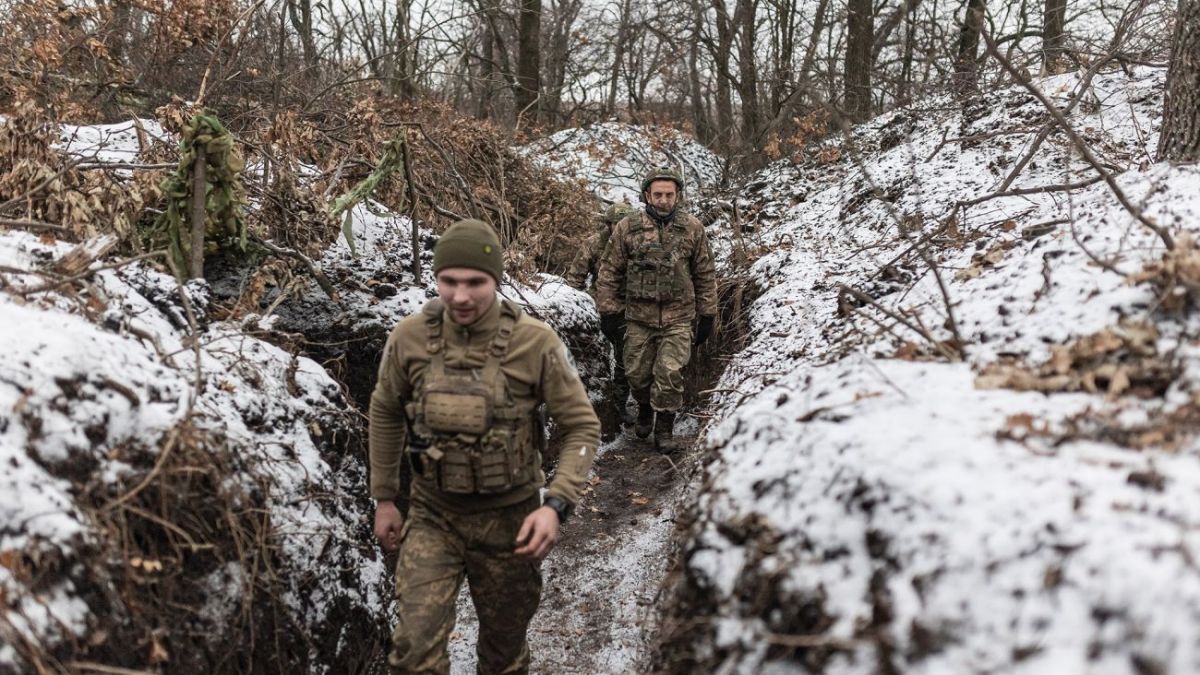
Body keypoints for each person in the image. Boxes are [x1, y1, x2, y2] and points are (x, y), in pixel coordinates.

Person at [368, 218, 601, 675]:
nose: (460, 295)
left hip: (509, 521)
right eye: (448, 281)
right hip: (434, 515)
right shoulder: (410, 337)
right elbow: (385, 410)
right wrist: (384, 498)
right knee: (413, 652)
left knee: (503, 656)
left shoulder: (535, 342)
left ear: (495, 280)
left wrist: (555, 505)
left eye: (475, 282)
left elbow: (580, 426)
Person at [595, 167, 717, 451]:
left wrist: (707, 314)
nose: (663, 200)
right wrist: (609, 312)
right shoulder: (628, 227)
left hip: (679, 317)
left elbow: (705, 273)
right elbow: (609, 270)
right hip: (638, 318)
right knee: (637, 374)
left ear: (678, 196)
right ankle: (645, 408)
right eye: (658, 194)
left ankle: (664, 429)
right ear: (647, 195)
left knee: (670, 373)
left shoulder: (692, 228)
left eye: (669, 195)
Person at [565, 202, 634, 409]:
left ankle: (621, 403)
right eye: (616, 223)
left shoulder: (637, 244)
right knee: (596, 354)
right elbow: (575, 277)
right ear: (608, 224)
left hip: (626, 309)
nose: (620, 227)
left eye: (625, 223)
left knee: (625, 357)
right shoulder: (593, 244)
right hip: (598, 308)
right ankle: (599, 397)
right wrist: (578, 306)